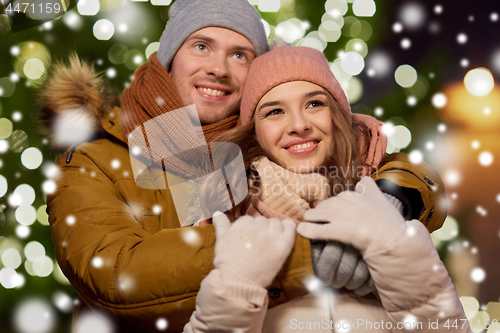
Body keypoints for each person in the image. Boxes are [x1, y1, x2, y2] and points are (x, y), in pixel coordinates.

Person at [38, 0, 446, 332]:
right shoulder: (94, 159)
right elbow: (117, 275)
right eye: (201, 46)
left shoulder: (271, 138)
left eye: (239, 54)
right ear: (167, 59)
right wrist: (310, 254)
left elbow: (391, 165)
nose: (218, 67)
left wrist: (396, 199)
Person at [183, 46, 470, 333]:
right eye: (275, 111)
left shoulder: (384, 205)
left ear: (338, 115)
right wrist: (236, 288)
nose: (298, 125)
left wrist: (393, 249)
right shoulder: (225, 216)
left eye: (314, 104)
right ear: (255, 133)